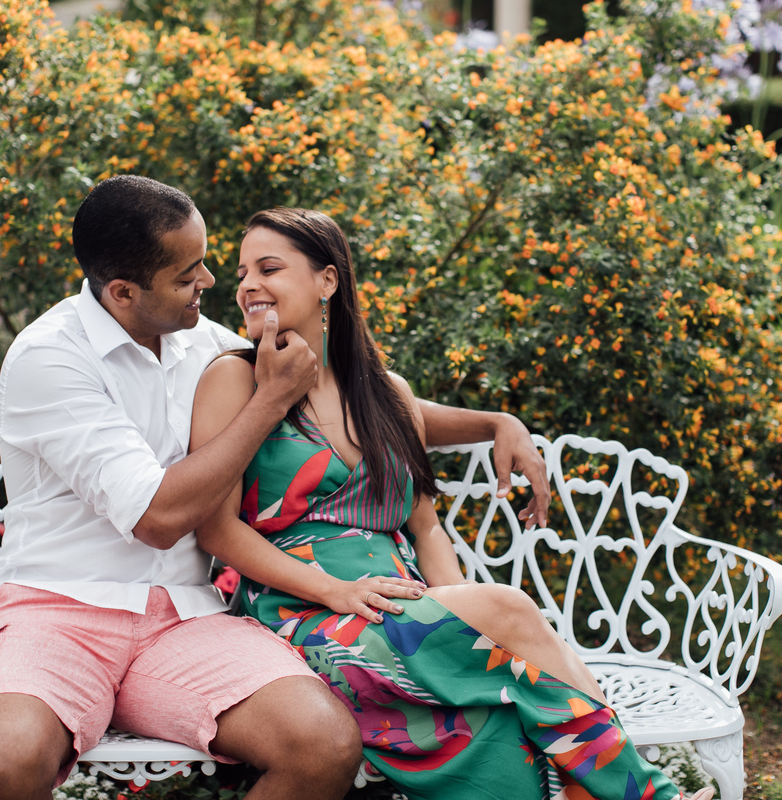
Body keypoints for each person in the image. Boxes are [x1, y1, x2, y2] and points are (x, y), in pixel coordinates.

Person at [0, 176, 553, 800]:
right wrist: (268, 401)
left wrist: (492, 424)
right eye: (188, 275)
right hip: (60, 610)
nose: (210, 283)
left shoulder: (205, 342)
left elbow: (341, 396)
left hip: (185, 618)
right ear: (124, 292)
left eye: (207, 263)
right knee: (2, 762)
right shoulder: (51, 357)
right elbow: (158, 516)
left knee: (321, 744)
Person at [190, 207, 717, 800]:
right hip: (295, 616)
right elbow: (217, 533)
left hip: (398, 609)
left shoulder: (388, 395)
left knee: (495, 724)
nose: (247, 285)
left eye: (269, 267)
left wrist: (452, 610)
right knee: (509, 612)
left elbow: (427, 529)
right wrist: (334, 589)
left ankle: (587, 792)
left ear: (327, 281)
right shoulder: (233, 381)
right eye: (241, 273)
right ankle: (644, 796)